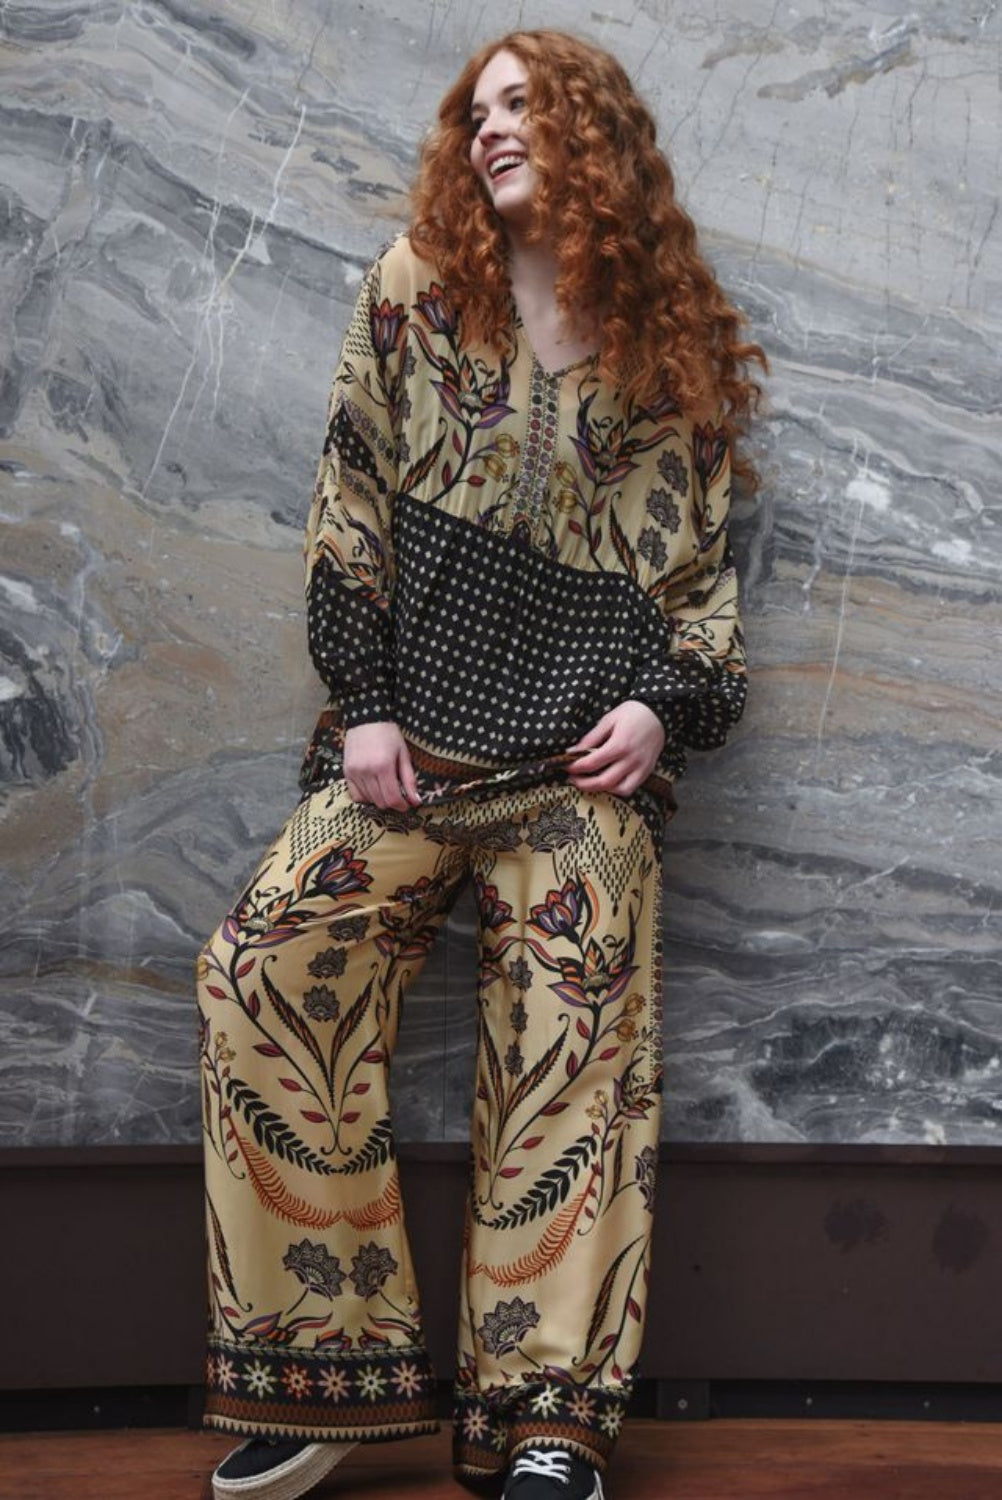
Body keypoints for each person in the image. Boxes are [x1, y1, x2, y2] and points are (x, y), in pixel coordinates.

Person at [198, 27, 765, 1500]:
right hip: (410, 754)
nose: (491, 127)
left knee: (574, 1013)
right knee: (263, 964)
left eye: (523, 104)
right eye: (478, 111)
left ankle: (546, 1416)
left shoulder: (669, 350)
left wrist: (663, 711)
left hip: (576, 780)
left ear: (592, 134)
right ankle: (325, 1373)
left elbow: (700, 591)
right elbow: (350, 499)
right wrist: (365, 702)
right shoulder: (415, 289)